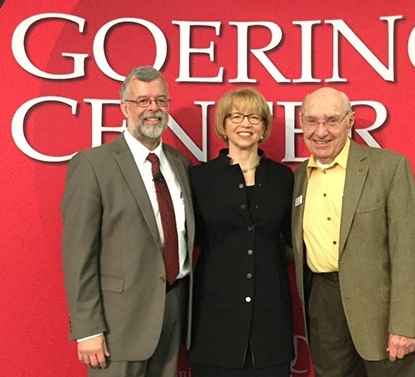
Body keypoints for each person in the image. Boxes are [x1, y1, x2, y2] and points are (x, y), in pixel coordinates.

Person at [62, 66, 195, 377]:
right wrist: (88, 328)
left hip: (173, 312)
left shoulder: (181, 164)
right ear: (124, 107)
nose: (153, 109)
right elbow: (78, 254)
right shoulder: (93, 165)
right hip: (117, 324)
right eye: (143, 101)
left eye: (161, 101)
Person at [291, 87, 415, 377]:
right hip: (324, 305)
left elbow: (408, 252)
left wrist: (404, 324)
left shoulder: (388, 167)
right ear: (301, 123)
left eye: (332, 120)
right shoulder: (298, 177)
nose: (321, 131)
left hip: (380, 311)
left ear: (350, 121)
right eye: (311, 121)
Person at [188, 88, 294, 377]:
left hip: (270, 320)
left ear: (264, 127)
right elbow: (191, 239)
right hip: (215, 318)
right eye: (236, 116)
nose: (245, 124)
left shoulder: (283, 178)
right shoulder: (199, 178)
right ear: (223, 123)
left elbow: (292, 239)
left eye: (254, 117)